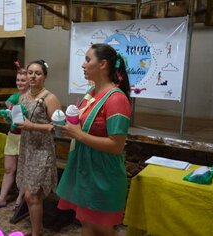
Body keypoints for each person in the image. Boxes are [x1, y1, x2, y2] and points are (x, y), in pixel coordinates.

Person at [56, 43, 131, 236]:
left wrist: (78, 134)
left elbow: (116, 146)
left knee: (102, 228)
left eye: (88, 60)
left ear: (103, 64)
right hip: (86, 172)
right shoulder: (90, 95)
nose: (83, 65)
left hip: (103, 175)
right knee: (87, 224)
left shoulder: (116, 99)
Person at [15, 60, 62, 236]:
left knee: (32, 195)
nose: (32, 76)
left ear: (44, 76)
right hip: (27, 148)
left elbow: (58, 128)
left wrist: (31, 126)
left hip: (42, 151)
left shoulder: (50, 98)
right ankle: (38, 230)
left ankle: (36, 233)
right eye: (30, 72)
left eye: (37, 73)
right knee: (28, 193)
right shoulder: (23, 96)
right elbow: (21, 121)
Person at [0, 64, 28, 211]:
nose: (20, 83)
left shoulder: (32, 100)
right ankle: (2, 199)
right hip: (12, 136)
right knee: (9, 169)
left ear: (29, 81)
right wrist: (7, 116)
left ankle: (19, 200)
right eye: (18, 80)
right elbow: (8, 121)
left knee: (23, 170)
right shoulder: (12, 99)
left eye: (23, 80)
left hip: (26, 138)